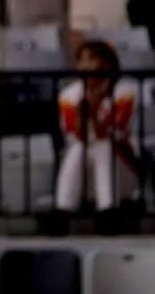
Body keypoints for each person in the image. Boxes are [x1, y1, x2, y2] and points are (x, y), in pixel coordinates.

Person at [55, 41, 138, 215]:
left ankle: (107, 208)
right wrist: (83, 113)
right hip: (84, 162)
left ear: (107, 63)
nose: (86, 65)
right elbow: (75, 135)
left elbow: (111, 134)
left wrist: (93, 111)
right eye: (82, 60)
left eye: (92, 59)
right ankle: (64, 208)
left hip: (121, 162)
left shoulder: (124, 92)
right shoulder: (68, 96)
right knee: (78, 148)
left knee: (104, 146)